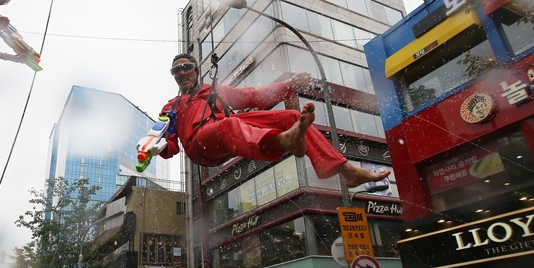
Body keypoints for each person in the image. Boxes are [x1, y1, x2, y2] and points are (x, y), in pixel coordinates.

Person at [158, 54, 393, 188]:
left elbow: (254, 96)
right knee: (230, 125)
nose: (181, 73)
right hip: (200, 147)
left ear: (195, 70)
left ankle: (347, 170)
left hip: (228, 134)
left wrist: (289, 85)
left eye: (185, 67)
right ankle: (284, 140)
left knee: (291, 117)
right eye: (175, 71)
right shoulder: (171, 106)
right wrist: (155, 148)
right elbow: (170, 147)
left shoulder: (215, 91)